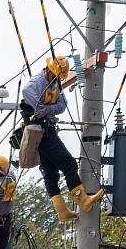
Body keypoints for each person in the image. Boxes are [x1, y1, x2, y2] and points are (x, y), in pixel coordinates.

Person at [21, 56, 104, 222]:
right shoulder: (33, 86)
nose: (57, 80)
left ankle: (62, 212)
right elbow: (39, 108)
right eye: (55, 76)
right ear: (48, 70)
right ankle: (83, 200)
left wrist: (47, 109)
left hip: (46, 128)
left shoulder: (56, 83)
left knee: (51, 173)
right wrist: (47, 109)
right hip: (41, 131)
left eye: (59, 78)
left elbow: (61, 106)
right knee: (68, 164)